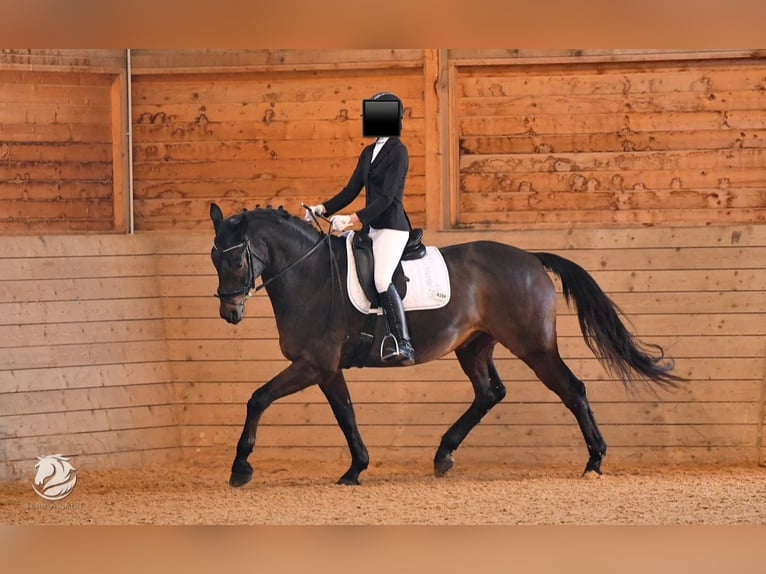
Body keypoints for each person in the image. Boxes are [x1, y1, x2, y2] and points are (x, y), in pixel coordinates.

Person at [304, 91, 415, 365]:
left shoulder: (398, 151)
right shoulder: (369, 153)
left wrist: (353, 219)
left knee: (381, 279)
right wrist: (324, 208)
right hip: (370, 228)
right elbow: (351, 189)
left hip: (391, 228)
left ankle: (404, 343)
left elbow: (387, 198)